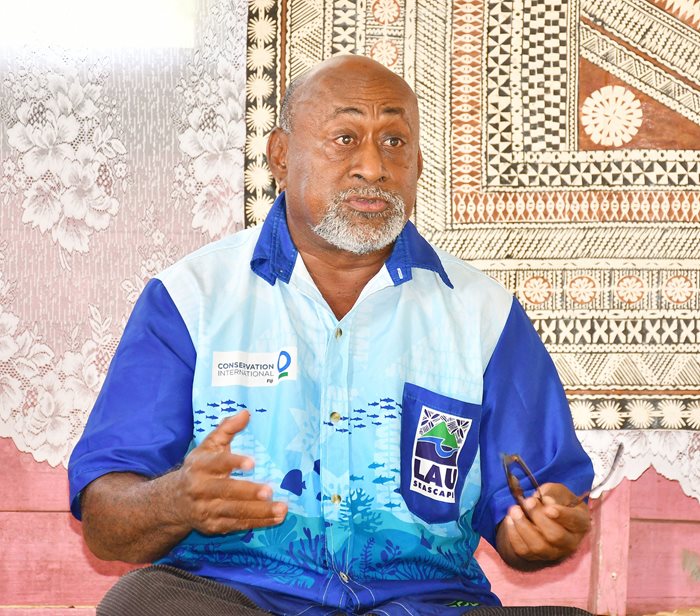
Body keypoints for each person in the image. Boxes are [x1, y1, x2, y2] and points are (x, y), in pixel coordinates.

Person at [68, 54, 594, 616]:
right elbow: (105, 520)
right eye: (345, 138)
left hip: (428, 603)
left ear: (418, 163)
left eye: (394, 142)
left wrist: (540, 530)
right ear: (280, 154)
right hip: (236, 598)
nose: (372, 166)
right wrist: (173, 501)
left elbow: (536, 506)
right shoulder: (190, 299)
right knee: (139, 605)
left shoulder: (484, 314)